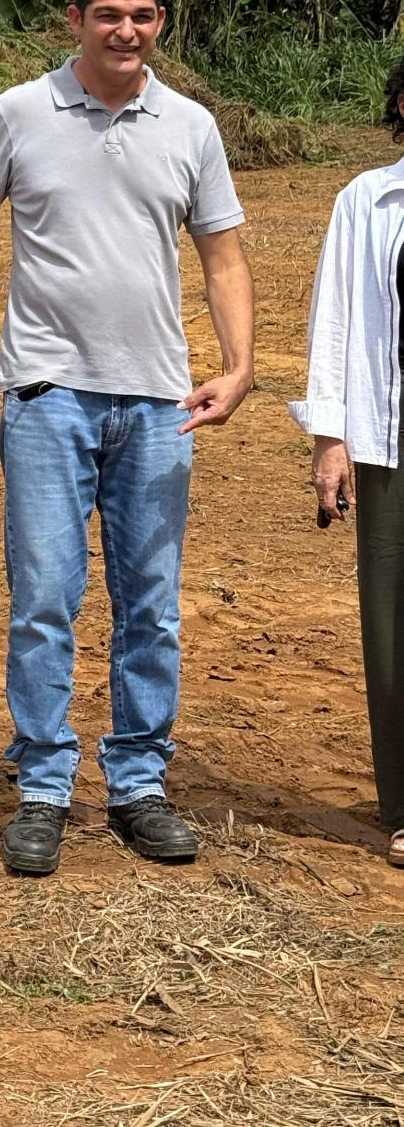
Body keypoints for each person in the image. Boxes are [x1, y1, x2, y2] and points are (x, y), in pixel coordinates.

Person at [0, 0, 254, 875]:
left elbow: (223, 255)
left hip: (158, 400)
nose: (126, 30)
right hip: (46, 394)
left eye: (143, 15)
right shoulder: (21, 113)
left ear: (161, 22)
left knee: (150, 603)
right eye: (109, 14)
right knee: (43, 598)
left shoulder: (191, 127)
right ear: (74, 20)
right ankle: (42, 787)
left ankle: (138, 784)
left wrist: (238, 366)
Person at [291, 56, 404, 866]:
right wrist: (331, 438)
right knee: (393, 625)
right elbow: (335, 321)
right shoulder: (367, 202)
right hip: (390, 447)